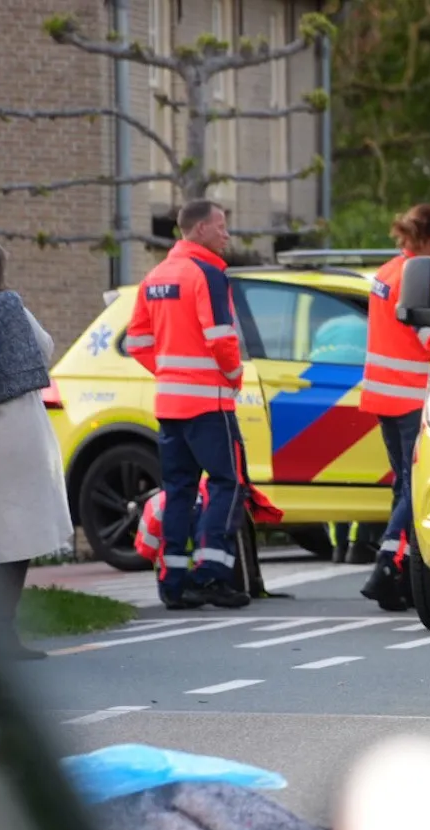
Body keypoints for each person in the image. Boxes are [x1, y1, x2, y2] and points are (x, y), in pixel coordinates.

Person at [124, 199, 251, 610]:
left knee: (177, 490)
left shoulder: (156, 276)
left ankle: (173, 583)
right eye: (221, 226)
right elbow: (221, 338)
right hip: (210, 403)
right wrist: (233, 377)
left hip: (170, 403)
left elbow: (137, 343)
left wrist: (170, 375)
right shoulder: (208, 273)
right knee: (227, 485)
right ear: (199, 231)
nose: (226, 234)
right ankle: (212, 575)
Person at [0, 233, 73, 659]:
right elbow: (42, 351)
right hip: (10, 433)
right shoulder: (8, 308)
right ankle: (0, 635)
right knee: (13, 541)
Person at [359, 202, 430, 612]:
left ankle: (400, 573)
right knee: (415, 489)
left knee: (403, 486)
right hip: (412, 397)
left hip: (382, 396)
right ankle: (387, 567)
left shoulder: (386, 271)